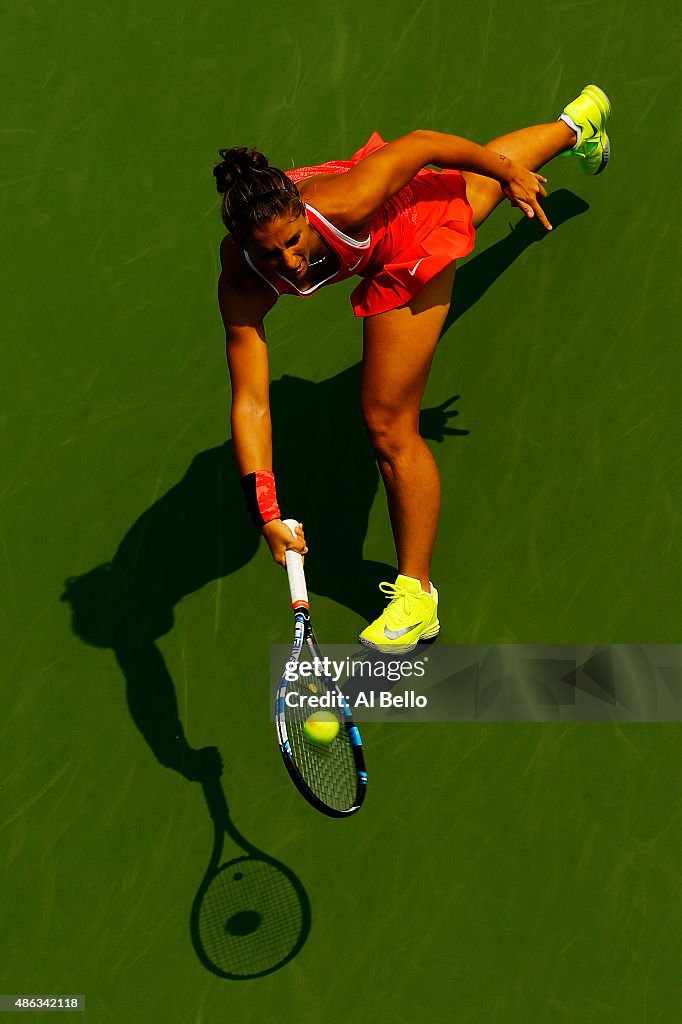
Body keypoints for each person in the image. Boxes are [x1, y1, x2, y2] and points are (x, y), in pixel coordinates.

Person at [214, 85, 611, 652]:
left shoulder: (346, 198)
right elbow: (250, 400)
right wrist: (267, 512)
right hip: (376, 230)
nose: (289, 263)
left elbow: (424, 144)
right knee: (480, 187)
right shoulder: (242, 279)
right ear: (242, 246)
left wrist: (509, 173)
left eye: (293, 242)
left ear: (304, 214)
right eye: (269, 254)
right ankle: (576, 125)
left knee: (386, 423)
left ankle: (417, 597)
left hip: (406, 238)